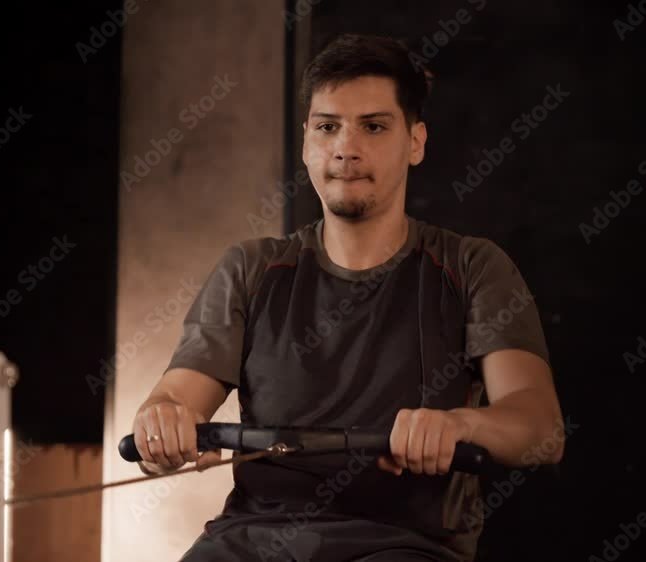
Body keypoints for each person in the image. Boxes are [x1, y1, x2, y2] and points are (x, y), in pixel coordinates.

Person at [130, 33, 564, 562]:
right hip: (250, 543)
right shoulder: (250, 269)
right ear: (307, 142)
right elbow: (175, 399)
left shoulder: (472, 267)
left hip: (403, 547)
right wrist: (161, 423)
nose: (345, 148)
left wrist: (460, 424)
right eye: (327, 127)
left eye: (373, 127)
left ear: (416, 142)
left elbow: (540, 428)